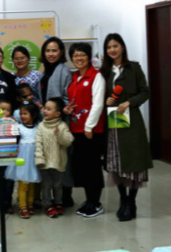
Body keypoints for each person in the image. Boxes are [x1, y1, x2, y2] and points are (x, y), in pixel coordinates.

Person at [100, 33, 152, 222]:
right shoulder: (104, 72)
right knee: (117, 162)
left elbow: (145, 92)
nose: (112, 50)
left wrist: (129, 102)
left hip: (132, 120)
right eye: (109, 47)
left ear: (122, 47)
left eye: (115, 46)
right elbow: (99, 95)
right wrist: (107, 100)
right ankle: (123, 199)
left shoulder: (134, 68)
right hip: (114, 119)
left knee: (133, 162)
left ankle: (131, 202)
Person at [66, 42, 106, 219]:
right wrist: (67, 109)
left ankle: (95, 203)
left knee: (93, 167)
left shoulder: (96, 76)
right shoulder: (74, 76)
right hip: (76, 129)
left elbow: (98, 104)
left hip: (91, 131)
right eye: (75, 55)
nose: (79, 58)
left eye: (82, 55)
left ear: (89, 57)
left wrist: (89, 127)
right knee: (83, 166)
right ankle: (89, 200)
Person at [39, 37, 74, 207]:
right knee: (49, 159)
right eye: (48, 50)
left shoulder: (63, 71)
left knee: (62, 159)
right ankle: (50, 197)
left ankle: (65, 197)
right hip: (47, 122)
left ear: (61, 52)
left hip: (59, 122)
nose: (51, 54)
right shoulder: (45, 71)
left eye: (54, 50)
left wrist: (57, 110)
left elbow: (67, 98)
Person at [36, 98, 74, 218]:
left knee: (58, 185)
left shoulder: (62, 126)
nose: (45, 111)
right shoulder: (41, 126)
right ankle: (47, 205)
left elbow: (67, 142)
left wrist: (59, 134)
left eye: (48, 109)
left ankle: (58, 203)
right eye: (44, 108)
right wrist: (39, 159)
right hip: (45, 162)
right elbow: (38, 144)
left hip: (59, 162)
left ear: (57, 113)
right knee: (46, 186)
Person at [5, 103, 41, 219]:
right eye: (21, 114)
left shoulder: (38, 128)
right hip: (23, 160)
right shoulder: (19, 127)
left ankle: (30, 203)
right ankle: (22, 206)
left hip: (33, 159)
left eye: (25, 114)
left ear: (34, 115)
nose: (22, 116)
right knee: (23, 184)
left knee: (32, 183)